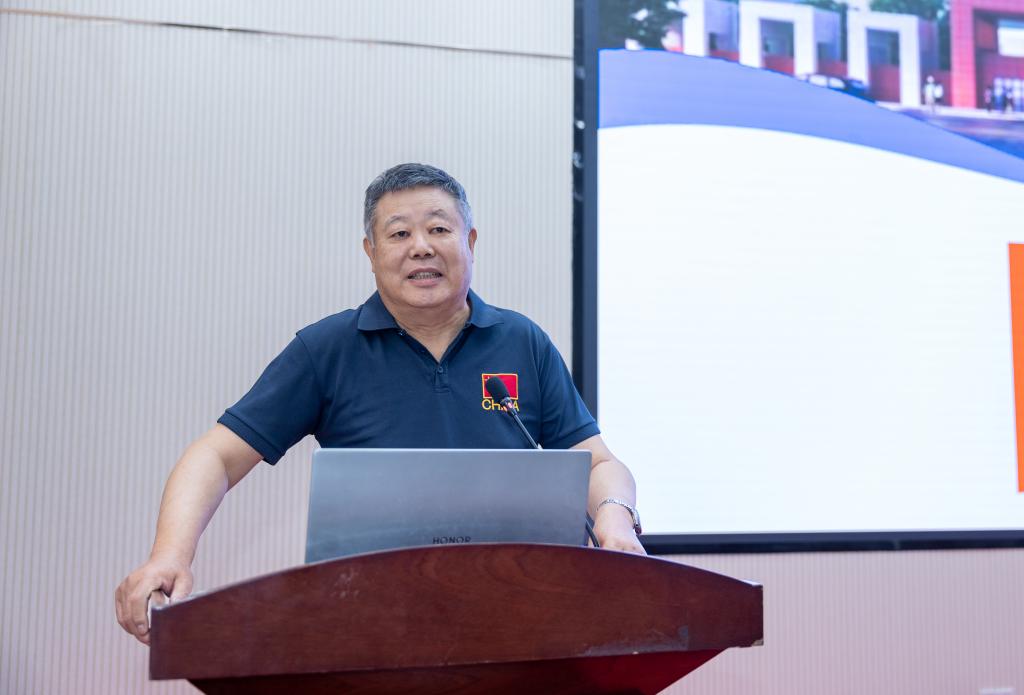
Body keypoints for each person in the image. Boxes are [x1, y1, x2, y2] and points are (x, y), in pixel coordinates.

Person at [114, 163, 646, 645]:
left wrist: (615, 518)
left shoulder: (522, 342)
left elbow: (599, 463)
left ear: (470, 241)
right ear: (370, 252)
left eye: (439, 229)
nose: (421, 247)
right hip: (371, 628)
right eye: (399, 234)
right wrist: (169, 555)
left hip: (520, 618)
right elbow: (216, 456)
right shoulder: (327, 349)